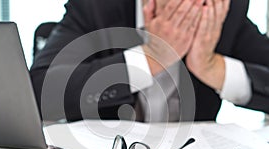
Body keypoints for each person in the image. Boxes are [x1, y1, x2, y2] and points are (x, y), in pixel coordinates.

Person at [31, 0, 269, 122]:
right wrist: (148, 59)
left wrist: (212, 67)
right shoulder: (98, 7)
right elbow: (40, 91)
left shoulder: (221, 10)